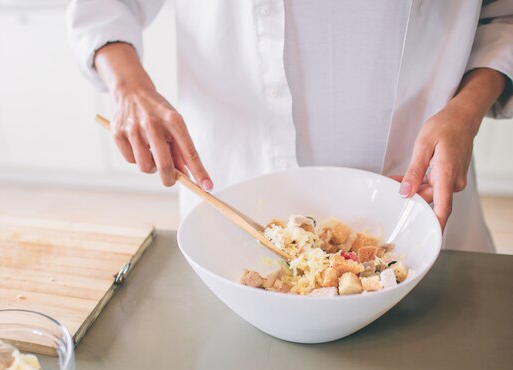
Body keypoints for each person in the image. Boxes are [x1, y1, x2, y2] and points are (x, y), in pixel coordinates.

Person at [67, 0, 513, 252]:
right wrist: (127, 86)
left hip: (424, 196)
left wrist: (466, 110)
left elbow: (503, 15)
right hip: (236, 189)